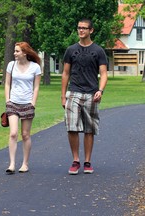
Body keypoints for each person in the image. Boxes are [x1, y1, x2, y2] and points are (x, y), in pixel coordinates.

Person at [61, 18, 108, 175]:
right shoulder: (71, 50)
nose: (81, 31)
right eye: (79, 28)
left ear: (91, 30)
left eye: (84, 28)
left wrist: (100, 90)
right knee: (72, 126)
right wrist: (63, 96)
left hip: (91, 93)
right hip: (73, 92)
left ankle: (87, 161)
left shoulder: (98, 51)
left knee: (89, 129)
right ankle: (76, 160)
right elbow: (65, 73)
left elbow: (103, 73)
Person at [5, 42, 41, 174]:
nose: (14, 53)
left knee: (25, 135)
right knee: (13, 133)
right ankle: (12, 164)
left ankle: (25, 163)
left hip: (27, 104)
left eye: (17, 51)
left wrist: (33, 103)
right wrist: (7, 100)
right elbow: (7, 83)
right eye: (14, 51)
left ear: (24, 53)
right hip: (13, 103)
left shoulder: (35, 67)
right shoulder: (11, 65)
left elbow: (36, 86)